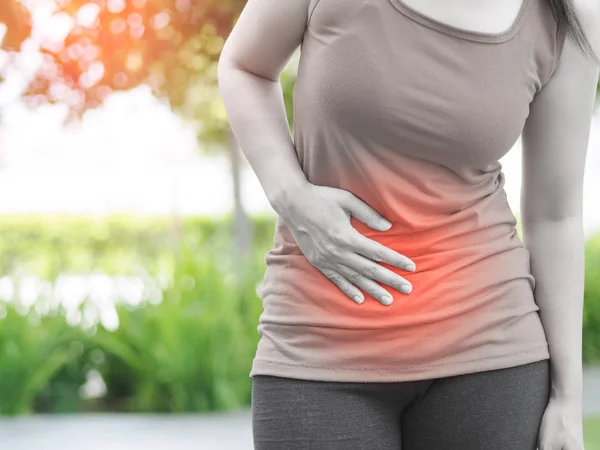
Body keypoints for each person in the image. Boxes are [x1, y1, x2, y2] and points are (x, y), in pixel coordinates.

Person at [217, 0, 600, 448]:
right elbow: (244, 66)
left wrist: (568, 398)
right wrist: (291, 196)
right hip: (318, 342)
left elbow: (556, 216)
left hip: (491, 350)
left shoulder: (570, 15)